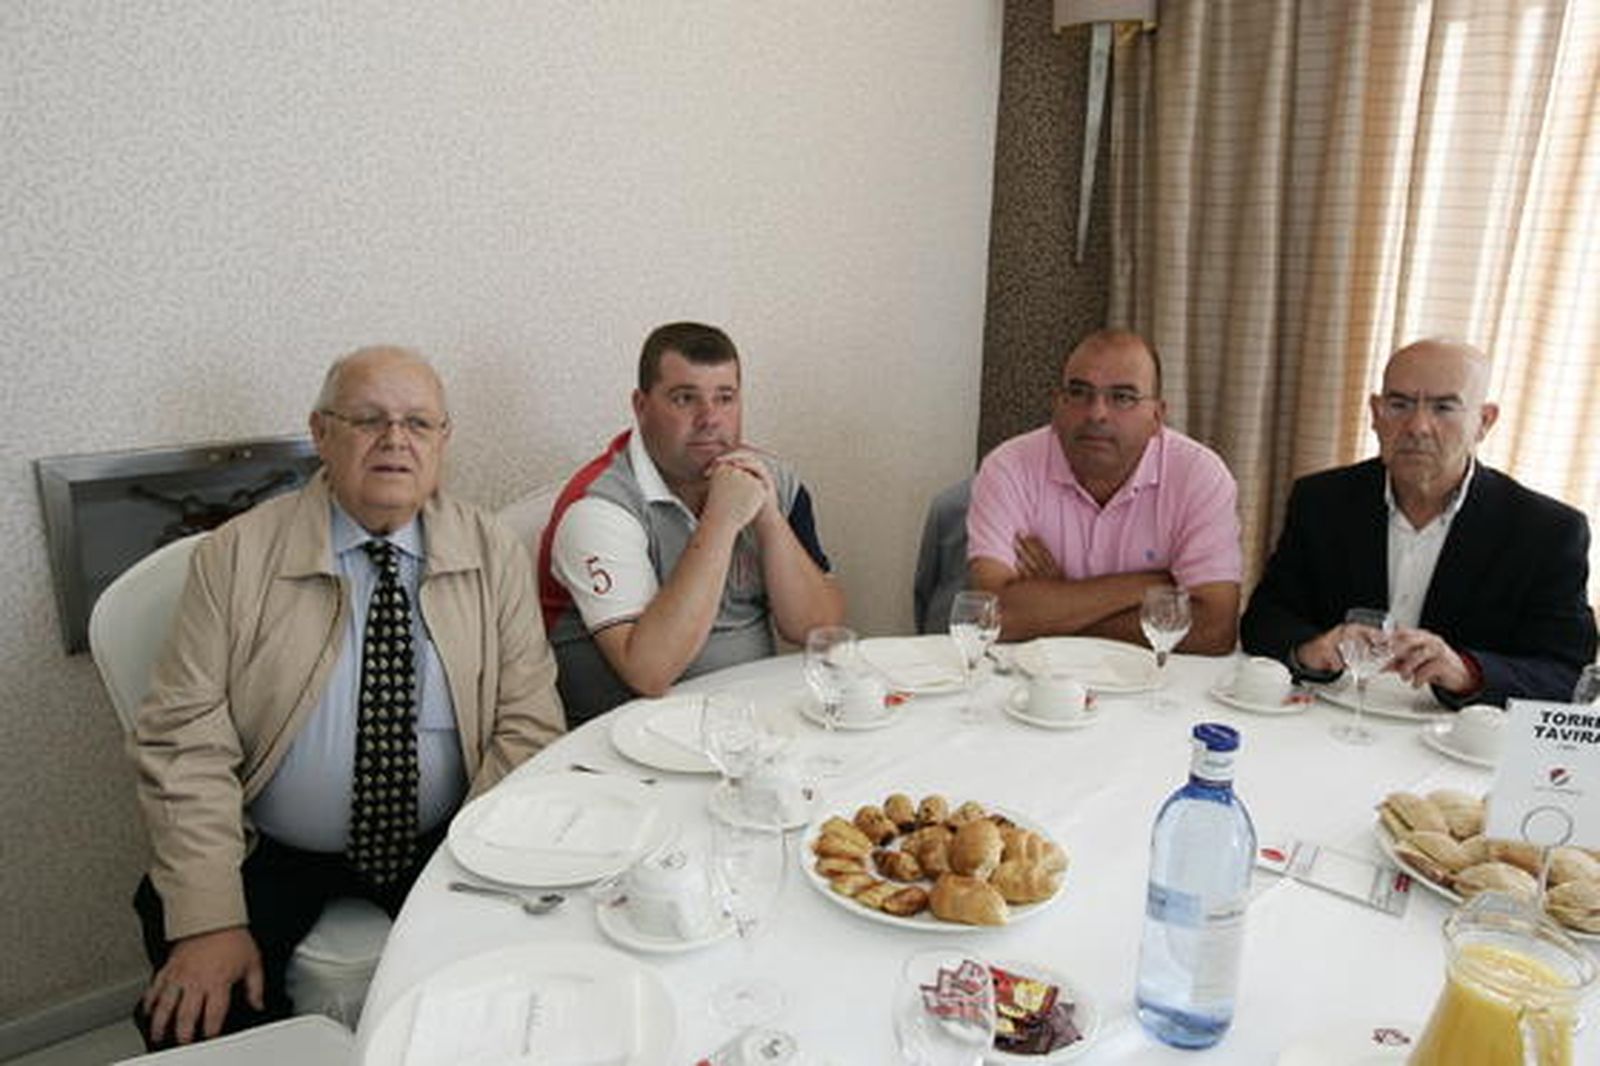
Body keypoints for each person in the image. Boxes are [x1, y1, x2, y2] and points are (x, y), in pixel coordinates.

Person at [130, 346, 565, 1048]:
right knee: (202, 1020)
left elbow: (529, 720)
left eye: (419, 423)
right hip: (270, 848)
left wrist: (480, 866)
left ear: (444, 440)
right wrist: (210, 916)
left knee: (524, 1003)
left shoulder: (491, 552)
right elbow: (184, 742)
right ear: (320, 433)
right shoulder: (235, 556)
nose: (396, 439)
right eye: (369, 419)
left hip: (449, 836)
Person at [1241, 338, 1597, 706]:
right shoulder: (1322, 500)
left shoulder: (1547, 531)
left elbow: (1567, 673)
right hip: (1328, 718)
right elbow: (1265, 619)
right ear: (1376, 414)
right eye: (1399, 404)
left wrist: (1467, 671)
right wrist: (1313, 648)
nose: (1418, 426)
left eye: (1444, 407)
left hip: (1457, 739)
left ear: (1484, 421)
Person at [539, 321, 845, 725]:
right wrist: (721, 519)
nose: (710, 418)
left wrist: (768, 517)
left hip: (748, 725)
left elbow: (817, 627)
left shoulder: (775, 479)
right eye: (685, 399)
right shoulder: (596, 509)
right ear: (641, 405)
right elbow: (649, 672)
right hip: (624, 745)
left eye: (725, 398)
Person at [966, 329, 1242, 651]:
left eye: (1122, 397)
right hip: (1034, 680)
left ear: (1157, 416)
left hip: (1157, 688)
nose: (1096, 413)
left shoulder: (1200, 475)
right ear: (1057, 403)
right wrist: (1151, 584)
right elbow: (994, 615)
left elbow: (1215, 629)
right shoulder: (1008, 467)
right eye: (1079, 392)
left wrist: (1056, 605)